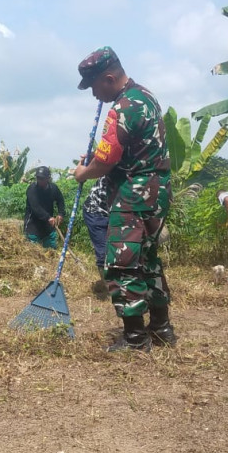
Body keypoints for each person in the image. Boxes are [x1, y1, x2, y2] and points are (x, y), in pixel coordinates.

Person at [72, 46, 176, 352]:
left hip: (133, 194)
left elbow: (104, 165)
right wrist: (96, 158)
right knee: (147, 261)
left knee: (121, 265)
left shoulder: (122, 107)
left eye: (93, 87)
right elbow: (126, 150)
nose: (93, 95)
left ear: (108, 78)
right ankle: (161, 328)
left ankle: (134, 339)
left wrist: (83, 172)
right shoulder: (145, 96)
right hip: (157, 191)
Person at [23, 166, 65, 249]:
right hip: (33, 226)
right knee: (33, 253)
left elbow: (60, 200)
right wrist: (48, 217)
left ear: (48, 178)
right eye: (38, 178)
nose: (39, 180)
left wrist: (61, 214)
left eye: (42, 178)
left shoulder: (53, 188)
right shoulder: (32, 189)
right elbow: (35, 207)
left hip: (48, 227)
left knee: (51, 252)